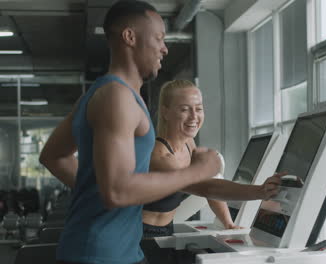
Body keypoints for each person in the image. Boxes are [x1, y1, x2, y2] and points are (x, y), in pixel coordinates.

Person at [39, 1, 224, 263]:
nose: (165, 48)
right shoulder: (117, 97)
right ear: (130, 37)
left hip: (112, 250)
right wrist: (196, 171)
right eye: (159, 38)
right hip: (101, 255)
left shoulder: (103, 94)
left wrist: (97, 191)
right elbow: (117, 191)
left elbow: (54, 157)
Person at [140, 80, 284, 264]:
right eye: (184, 109)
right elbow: (206, 187)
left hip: (166, 230)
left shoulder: (188, 144)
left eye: (198, 109)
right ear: (165, 112)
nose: (194, 117)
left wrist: (228, 223)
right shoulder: (160, 156)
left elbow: (209, 181)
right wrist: (259, 192)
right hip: (145, 237)